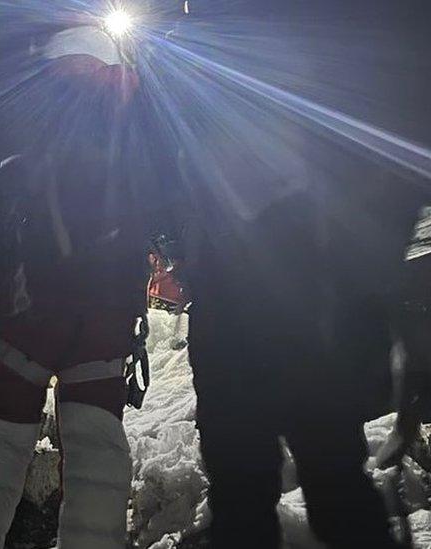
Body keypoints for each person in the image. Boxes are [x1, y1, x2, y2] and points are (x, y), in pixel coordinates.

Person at [165, 2, 431, 546]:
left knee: (323, 484)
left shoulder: (311, 49)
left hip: (309, 307)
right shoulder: (194, 66)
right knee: (260, 494)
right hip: (249, 311)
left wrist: (363, 277)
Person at [0, 23, 165, 548]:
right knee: (96, 449)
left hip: (29, 303)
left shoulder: (23, 107)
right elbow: (161, 198)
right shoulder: (131, 116)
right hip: (105, 312)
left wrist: (4, 236)